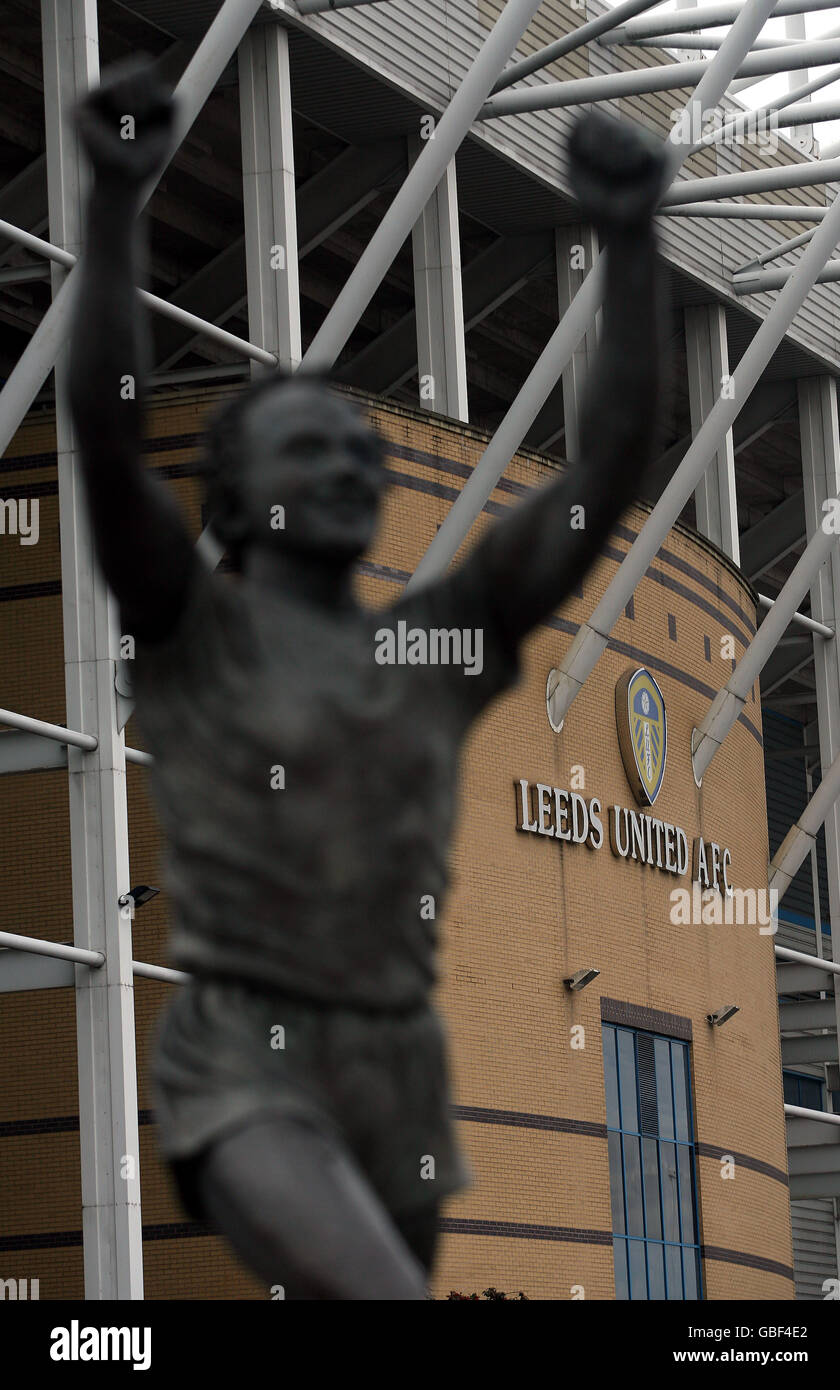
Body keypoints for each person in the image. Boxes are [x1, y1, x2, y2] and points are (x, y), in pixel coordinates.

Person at [68, 59, 667, 1299]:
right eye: (310, 447)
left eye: (361, 452)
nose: (351, 469)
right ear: (232, 494)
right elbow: (108, 427)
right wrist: (118, 201)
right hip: (249, 1056)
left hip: (398, 1066)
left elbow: (609, 466)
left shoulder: (430, 645)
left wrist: (630, 238)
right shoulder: (196, 630)